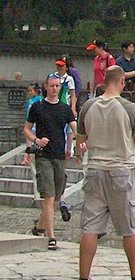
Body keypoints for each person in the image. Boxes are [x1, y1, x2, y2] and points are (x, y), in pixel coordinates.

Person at [76, 65, 135, 280]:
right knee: (131, 228)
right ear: (122, 82)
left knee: (90, 227)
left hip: (95, 170)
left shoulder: (87, 107)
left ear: (104, 81)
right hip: (122, 171)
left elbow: (81, 139)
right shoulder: (130, 108)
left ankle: (84, 276)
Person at [24, 73, 76, 250]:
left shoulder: (64, 109)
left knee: (56, 197)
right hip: (43, 155)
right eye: (51, 85)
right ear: (46, 86)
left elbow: (75, 129)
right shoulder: (37, 107)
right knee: (48, 195)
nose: (54, 89)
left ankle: (39, 227)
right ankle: (51, 236)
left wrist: (82, 142)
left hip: (59, 156)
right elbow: (27, 128)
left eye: (57, 86)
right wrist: (36, 140)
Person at [21, 83, 43, 166]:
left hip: (37, 124)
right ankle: (26, 157)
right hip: (29, 124)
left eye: (31, 91)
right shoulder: (29, 101)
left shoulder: (40, 100)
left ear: (36, 91)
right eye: (28, 91)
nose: (29, 93)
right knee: (28, 142)